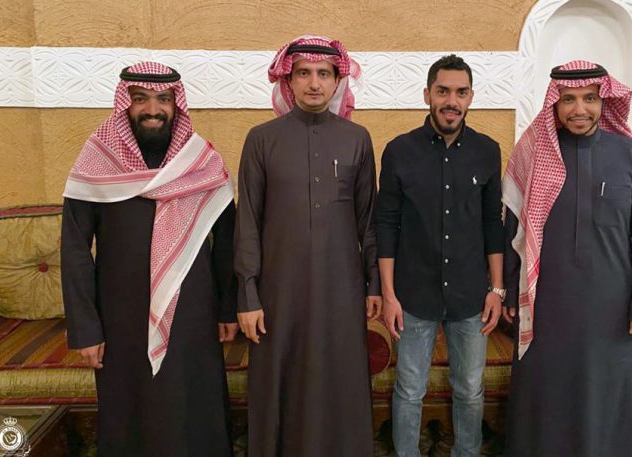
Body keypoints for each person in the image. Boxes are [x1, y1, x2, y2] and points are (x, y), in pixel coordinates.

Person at [61, 62, 238, 457]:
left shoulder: (201, 161)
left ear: (177, 105)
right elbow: (75, 248)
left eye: (163, 99)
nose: (152, 109)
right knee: (130, 407)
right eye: (140, 99)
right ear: (125, 104)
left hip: (193, 313)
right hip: (121, 316)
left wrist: (228, 308)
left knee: (193, 405)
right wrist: (86, 328)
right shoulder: (96, 161)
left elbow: (228, 241)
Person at [501, 60, 632, 457]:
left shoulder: (630, 155)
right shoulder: (533, 154)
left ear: (604, 101)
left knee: (606, 396)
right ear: (554, 104)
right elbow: (513, 232)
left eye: (589, 98)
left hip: (612, 308)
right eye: (568, 99)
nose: (579, 109)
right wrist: (509, 295)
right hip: (547, 305)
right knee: (547, 394)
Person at [234, 35, 381, 457]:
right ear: (289, 80)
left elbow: (368, 219)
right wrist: (248, 295)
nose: (314, 83)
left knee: (340, 380)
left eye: (323, 74)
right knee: (279, 380)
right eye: (303, 73)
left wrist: (373, 284)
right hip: (278, 294)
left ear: (337, 81)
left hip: (341, 292)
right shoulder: (261, 139)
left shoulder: (357, 138)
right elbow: (248, 222)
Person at [375, 54, 504, 457]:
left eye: (461, 92)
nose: (452, 101)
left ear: (471, 97)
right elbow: (386, 226)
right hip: (413, 295)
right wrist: (389, 295)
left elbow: (492, 224)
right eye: (443, 91)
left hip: (470, 296)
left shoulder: (487, 151)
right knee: (409, 388)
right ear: (427, 94)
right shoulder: (399, 151)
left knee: (470, 389)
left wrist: (497, 289)